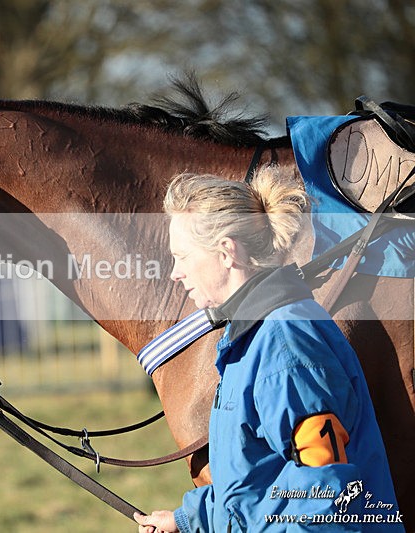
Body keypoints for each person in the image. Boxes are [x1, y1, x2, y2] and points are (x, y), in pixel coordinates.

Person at [134, 167, 403, 532]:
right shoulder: (252, 336)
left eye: (182, 256)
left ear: (226, 252)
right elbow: (256, 481)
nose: (175, 273)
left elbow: (323, 499)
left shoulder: (285, 344)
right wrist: (188, 519)